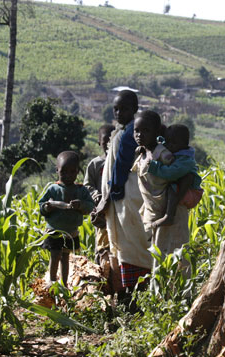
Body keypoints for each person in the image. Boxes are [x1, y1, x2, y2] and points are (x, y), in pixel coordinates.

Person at [99, 90, 151, 294]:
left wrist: (110, 195)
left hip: (126, 197)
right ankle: (129, 291)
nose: (119, 113)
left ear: (135, 109)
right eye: (116, 109)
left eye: (125, 109)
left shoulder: (131, 132)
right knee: (127, 244)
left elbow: (120, 166)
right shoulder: (124, 131)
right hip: (121, 199)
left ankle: (135, 292)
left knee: (132, 243)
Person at [131, 111, 190, 275]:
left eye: (146, 131)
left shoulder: (162, 154)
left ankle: (180, 298)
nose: (140, 135)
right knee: (159, 261)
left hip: (171, 217)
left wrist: (172, 207)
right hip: (155, 215)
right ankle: (161, 298)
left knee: (176, 261)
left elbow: (183, 175)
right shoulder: (142, 152)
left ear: (157, 132)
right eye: (137, 130)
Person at [39, 151, 94, 288]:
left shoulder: (81, 191)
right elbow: (41, 206)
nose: (68, 175)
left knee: (65, 257)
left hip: (71, 231)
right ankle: (52, 281)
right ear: (57, 170)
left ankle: (64, 284)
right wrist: (47, 207)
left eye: (72, 172)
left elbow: (90, 206)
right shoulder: (53, 189)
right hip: (54, 230)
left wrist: (80, 205)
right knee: (55, 255)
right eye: (64, 172)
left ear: (77, 172)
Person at [148, 124, 203, 228]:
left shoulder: (186, 160)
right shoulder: (175, 149)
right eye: (167, 141)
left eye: (173, 142)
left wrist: (155, 167)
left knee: (172, 190)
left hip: (191, 193)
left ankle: (169, 216)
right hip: (181, 187)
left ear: (184, 144)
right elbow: (164, 142)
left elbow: (171, 174)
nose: (169, 145)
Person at [83, 124, 115, 264]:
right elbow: (87, 185)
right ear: (99, 143)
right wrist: (96, 195)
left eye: (111, 142)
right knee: (102, 245)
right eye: (104, 142)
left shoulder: (121, 163)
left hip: (117, 211)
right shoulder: (95, 164)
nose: (108, 145)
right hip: (100, 211)